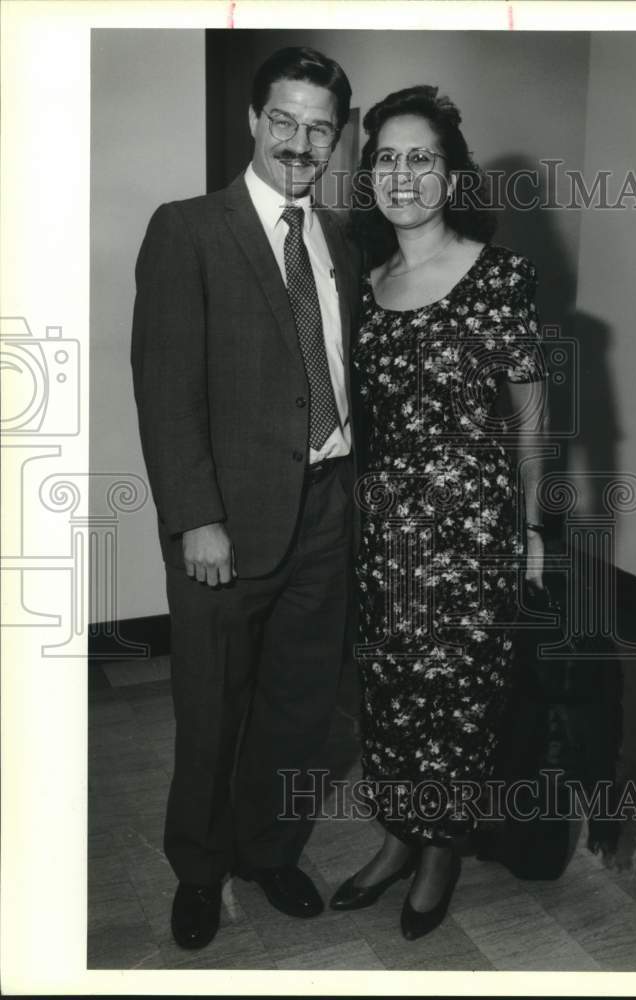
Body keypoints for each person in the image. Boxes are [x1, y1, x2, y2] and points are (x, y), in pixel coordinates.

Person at [131, 46, 360, 950]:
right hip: (225, 520)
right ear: (253, 121)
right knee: (212, 703)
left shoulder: (341, 237)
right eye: (285, 121)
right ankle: (197, 866)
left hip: (329, 505)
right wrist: (195, 516)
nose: (301, 143)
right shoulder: (188, 228)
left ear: (336, 138)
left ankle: (270, 851)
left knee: (300, 702)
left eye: (320, 128)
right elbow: (166, 385)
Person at [329, 86, 549, 939]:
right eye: (386, 157)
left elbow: (531, 417)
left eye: (422, 157)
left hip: (472, 535)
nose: (403, 174)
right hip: (384, 538)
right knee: (387, 695)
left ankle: (440, 852)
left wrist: (531, 528)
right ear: (370, 173)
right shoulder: (367, 280)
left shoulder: (502, 277)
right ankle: (395, 837)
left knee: (456, 701)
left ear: (452, 174)